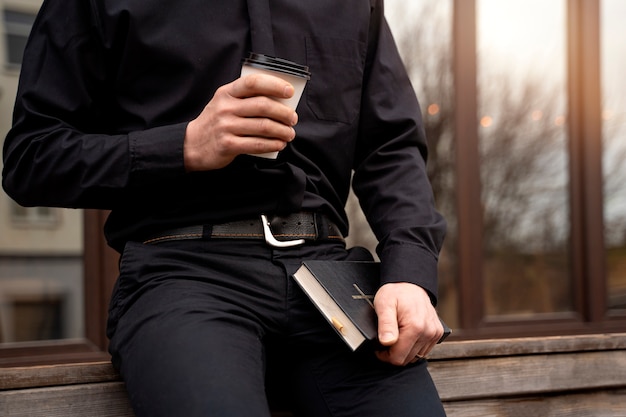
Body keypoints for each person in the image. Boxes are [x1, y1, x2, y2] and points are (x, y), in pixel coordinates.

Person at [2, 0, 448, 416]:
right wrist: (183, 146)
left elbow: (391, 149)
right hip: (183, 274)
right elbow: (31, 157)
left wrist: (409, 270)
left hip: (330, 278)